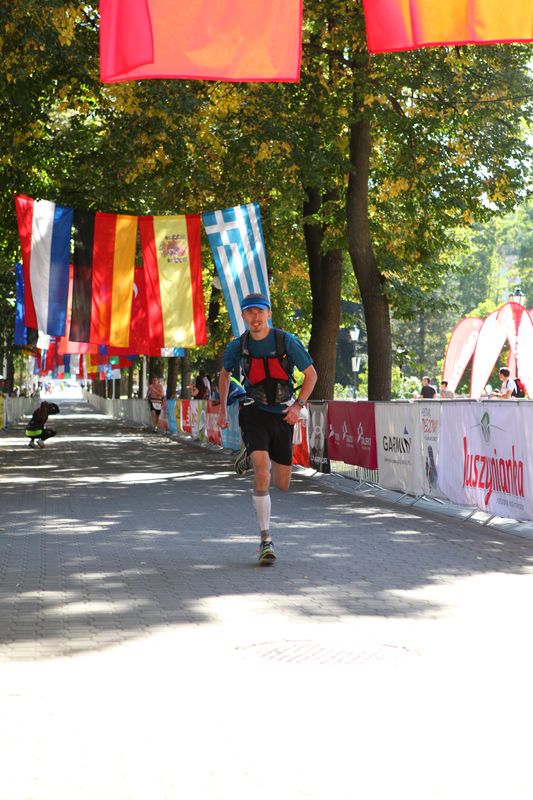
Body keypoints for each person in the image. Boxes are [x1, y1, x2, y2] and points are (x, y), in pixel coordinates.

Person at [217, 293, 317, 564]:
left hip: (283, 415)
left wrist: (298, 406)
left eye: (260, 312)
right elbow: (224, 375)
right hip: (254, 412)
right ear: (243, 316)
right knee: (263, 472)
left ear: (269, 314)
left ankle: (249, 454)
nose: (256, 317)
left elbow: (311, 375)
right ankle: (265, 538)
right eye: (250, 312)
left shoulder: (286, 341)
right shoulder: (238, 346)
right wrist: (223, 409)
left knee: (282, 484)